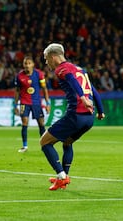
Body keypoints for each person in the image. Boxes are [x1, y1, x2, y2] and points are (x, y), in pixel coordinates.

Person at [40, 43, 105, 191]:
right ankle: (63, 177)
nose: (46, 62)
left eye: (46, 59)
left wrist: (82, 98)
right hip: (89, 118)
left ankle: (61, 176)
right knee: (67, 143)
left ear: (53, 57)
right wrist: (100, 110)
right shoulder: (80, 70)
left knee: (44, 142)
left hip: (76, 115)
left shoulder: (62, 69)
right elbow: (93, 90)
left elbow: (71, 80)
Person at [14, 56, 50, 153]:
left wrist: (48, 103)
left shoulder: (39, 74)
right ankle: (24, 146)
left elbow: (44, 89)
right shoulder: (19, 76)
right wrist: (15, 105)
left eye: (29, 63)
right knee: (24, 122)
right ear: (23, 65)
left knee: (41, 124)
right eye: (25, 63)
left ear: (33, 64)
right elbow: (17, 91)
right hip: (24, 103)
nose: (27, 65)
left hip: (36, 103)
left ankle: (45, 145)